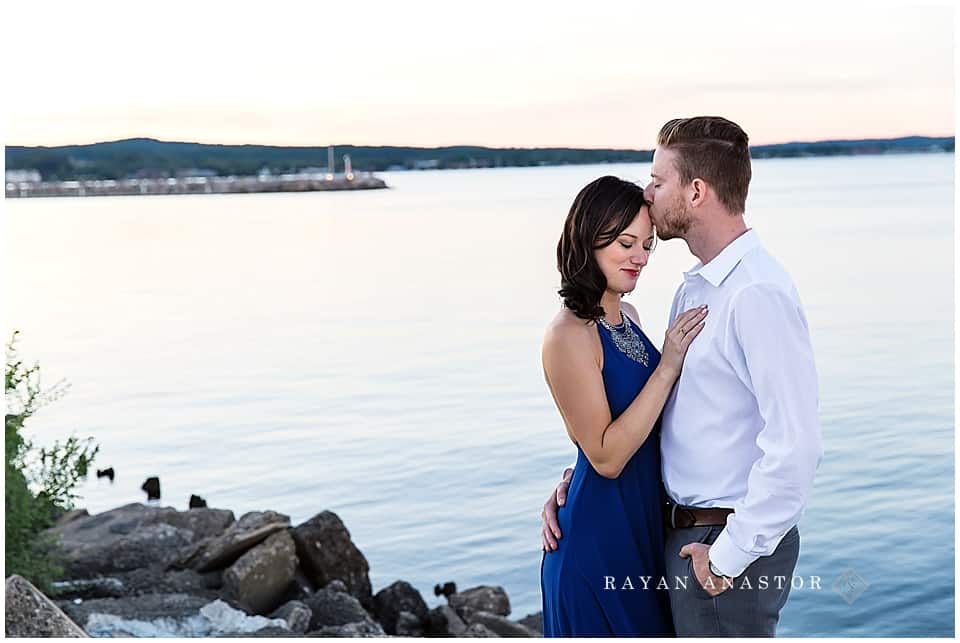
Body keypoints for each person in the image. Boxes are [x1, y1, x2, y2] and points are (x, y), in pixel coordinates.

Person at [541, 117, 823, 637]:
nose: (648, 192)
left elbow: (796, 445)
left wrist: (730, 555)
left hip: (719, 542)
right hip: (656, 531)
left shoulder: (755, 293)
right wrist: (578, 478)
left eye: (657, 179)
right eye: (626, 243)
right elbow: (653, 420)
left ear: (695, 191)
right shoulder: (694, 289)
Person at [539, 175, 709, 636]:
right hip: (597, 544)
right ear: (587, 239)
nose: (639, 257)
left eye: (648, 245)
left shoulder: (627, 316)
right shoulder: (567, 335)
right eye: (624, 242)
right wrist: (669, 362)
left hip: (644, 531)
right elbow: (607, 457)